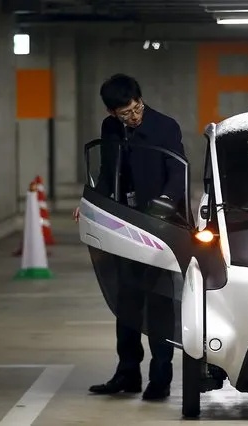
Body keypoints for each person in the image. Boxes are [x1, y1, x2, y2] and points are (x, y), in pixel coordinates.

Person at [73, 73, 187, 400]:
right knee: (127, 302)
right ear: (112, 113)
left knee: (159, 302)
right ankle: (127, 373)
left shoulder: (166, 126)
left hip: (159, 227)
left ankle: (160, 378)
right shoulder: (110, 129)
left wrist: (164, 206)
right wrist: (91, 202)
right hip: (123, 226)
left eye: (137, 108)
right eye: (125, 114)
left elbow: (178, 173)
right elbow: (108, 173)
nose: (134, 117)